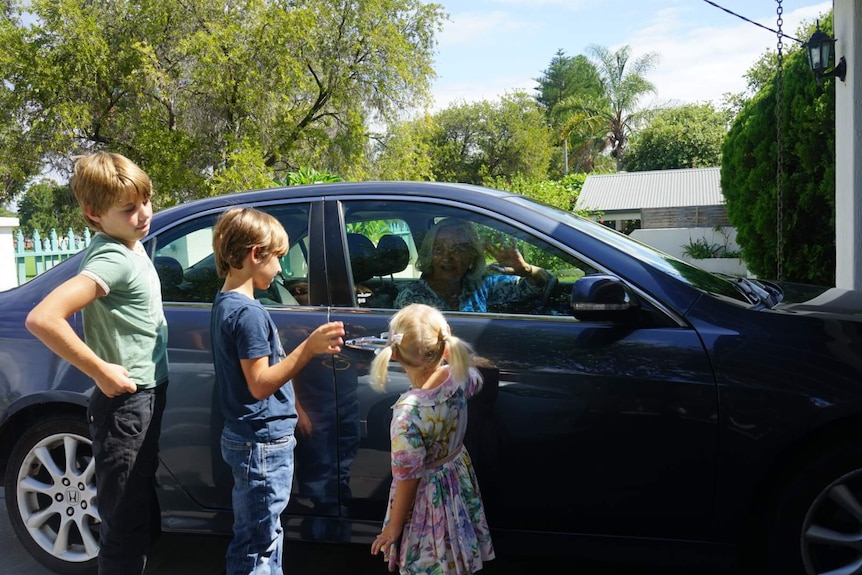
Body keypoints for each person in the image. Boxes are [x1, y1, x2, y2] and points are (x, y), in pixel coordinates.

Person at [25, 151, 168, 575]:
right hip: (127, 406)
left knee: (134, 514)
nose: (143, 214)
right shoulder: (112, 258)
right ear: (94, 214)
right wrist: (100, 370)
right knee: (123, 527)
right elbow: (43, 318)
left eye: (146, 200)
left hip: (142, 398)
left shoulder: (128, 245)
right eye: (129, 209)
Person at [210, 207, 345, 575]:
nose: (282, 270)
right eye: (278, 259)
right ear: (255, 255)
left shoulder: (225, 303)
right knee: (257, 544)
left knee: (263, 534)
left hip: (250, 438)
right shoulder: (249, 314)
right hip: (262, 444)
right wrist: (309, 348)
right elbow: (259, 384)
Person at [369, 303, 495, 574]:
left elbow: (408, 477)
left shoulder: (406, 415)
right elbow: (477, 381)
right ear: (444, 345)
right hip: (456, 478)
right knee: (453, 545)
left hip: (427, 499)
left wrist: (394, 528)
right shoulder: (460, 376)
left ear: (394, 355)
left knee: (430, 559)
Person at [394, 218, 552, 312]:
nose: (447, 258)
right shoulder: (412, 297)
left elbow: (544, 283)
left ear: (472, 255)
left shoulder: (481, 285)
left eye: (458, 249)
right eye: (438, 249)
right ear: (429, 255)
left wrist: (526, 270)